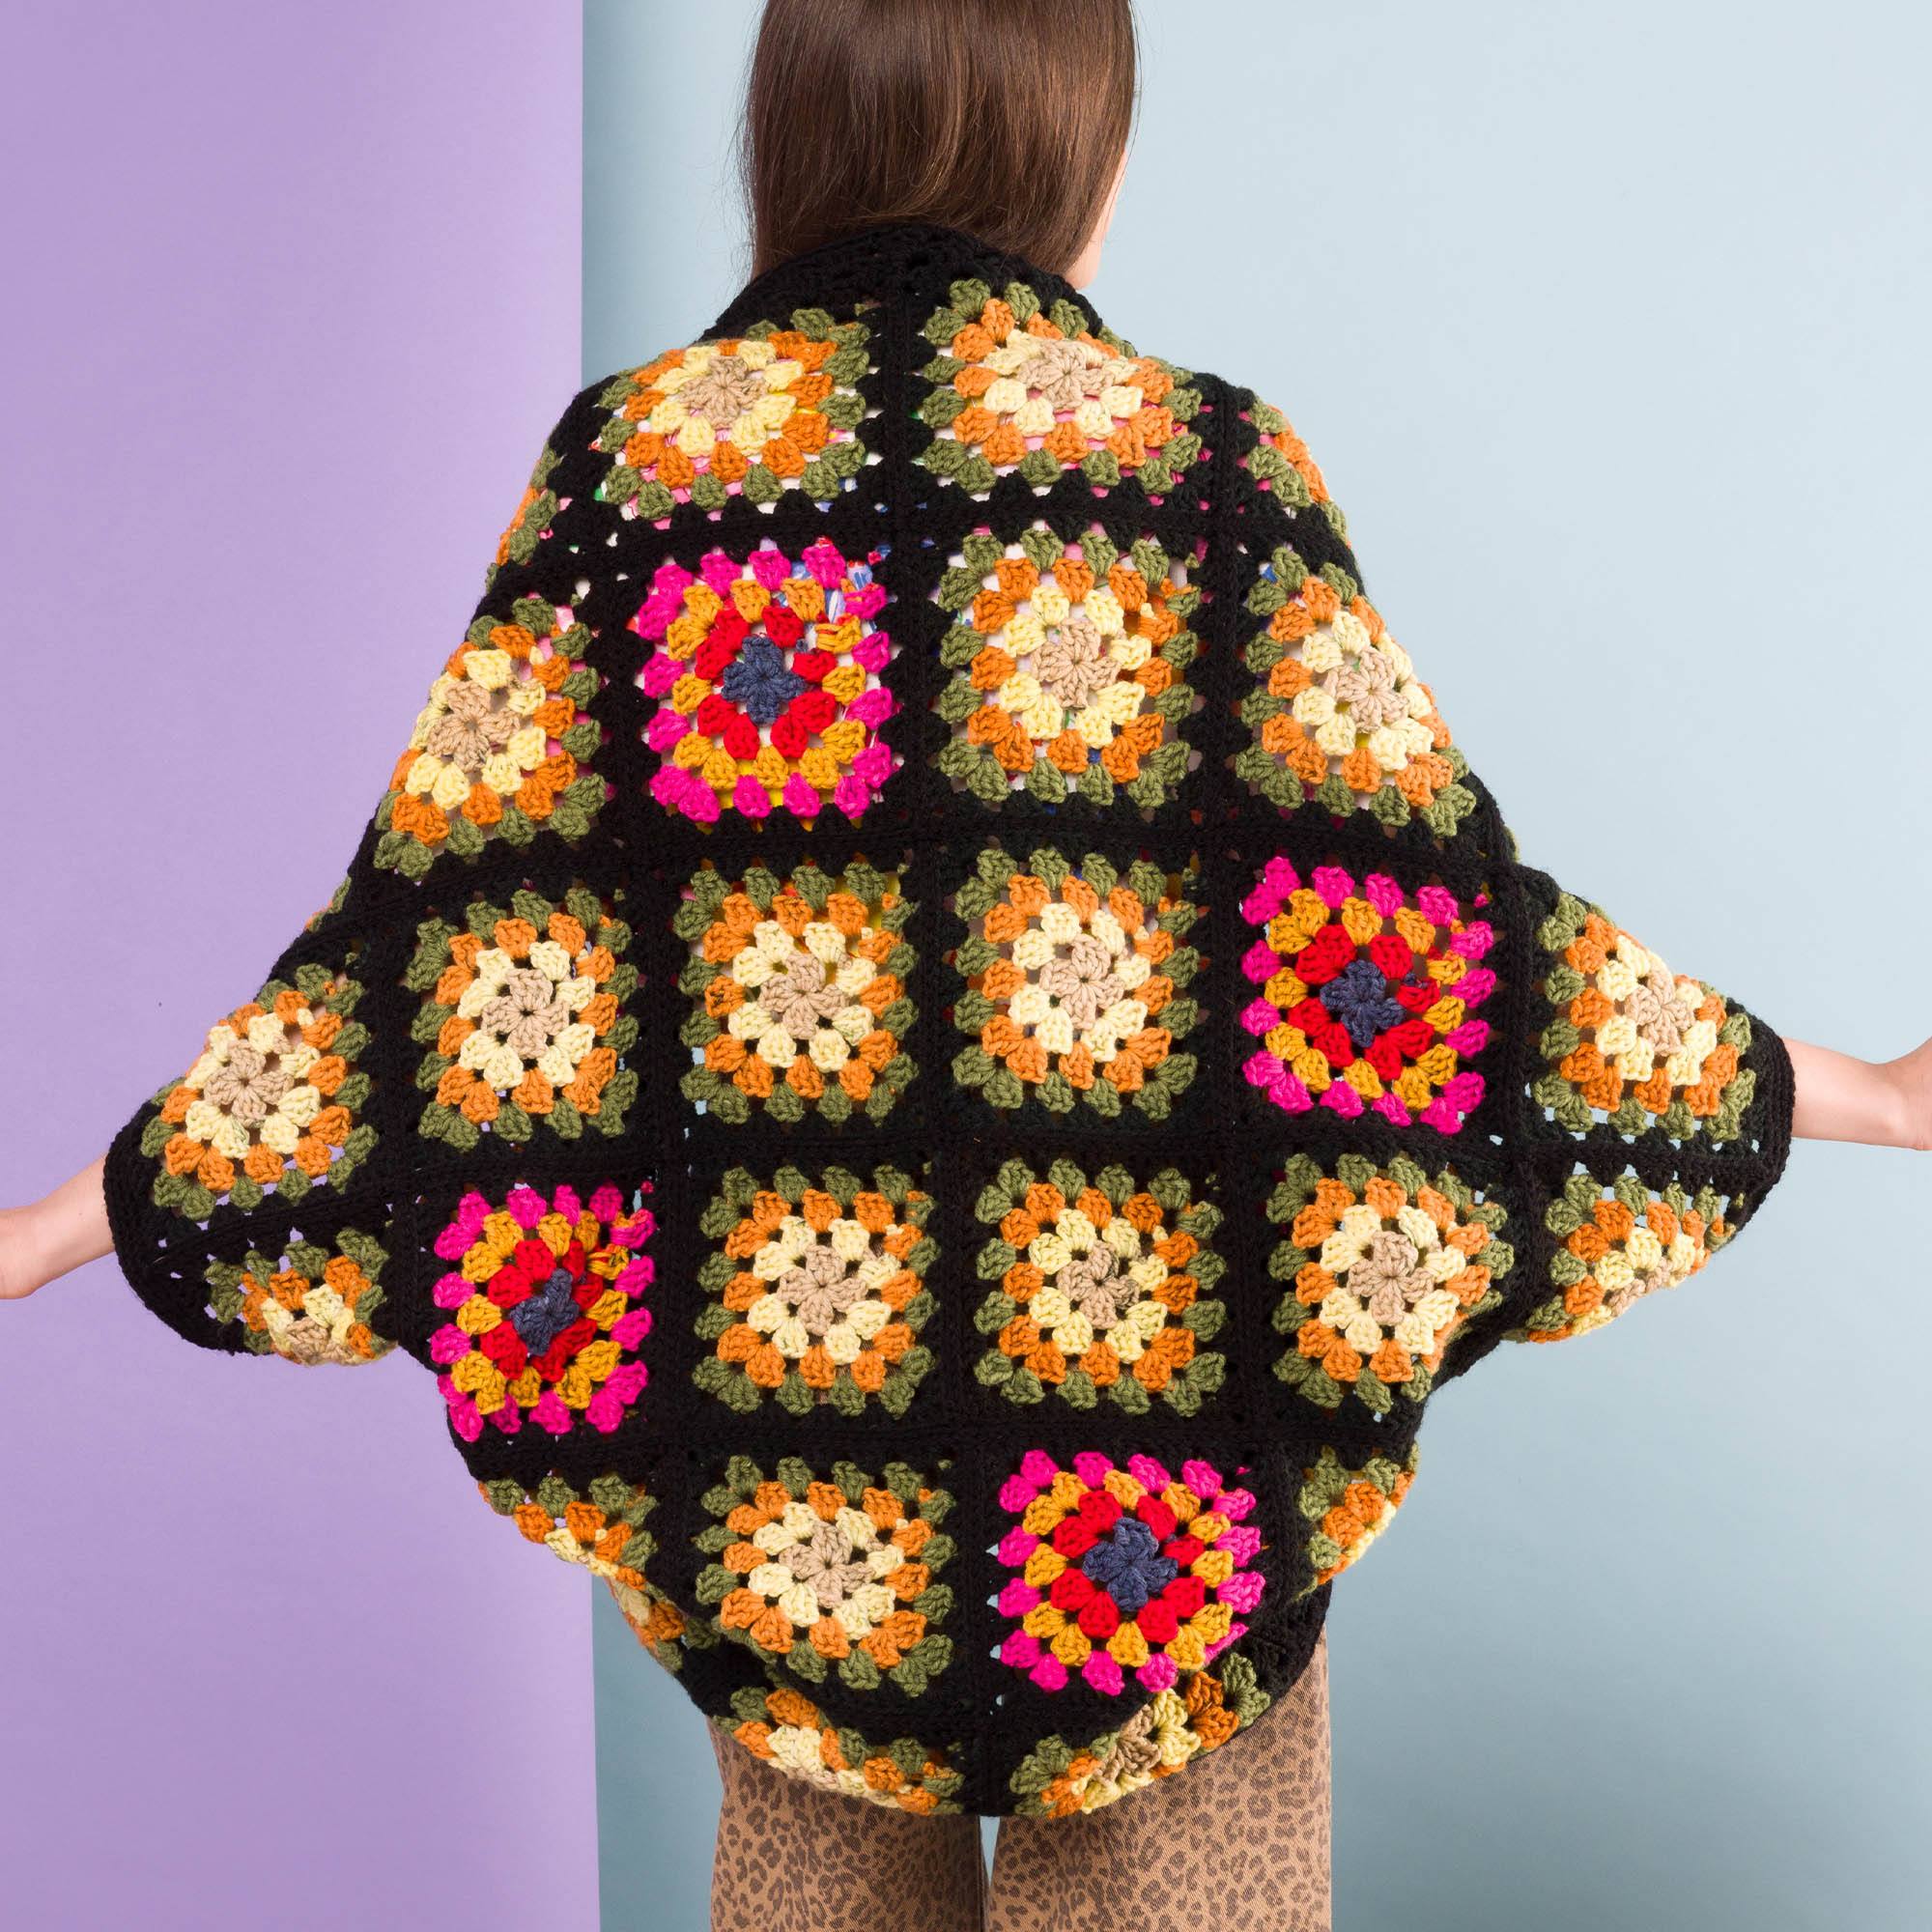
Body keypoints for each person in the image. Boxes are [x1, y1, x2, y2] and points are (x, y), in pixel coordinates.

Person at [4, 2, 1927, 1926]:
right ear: (1078, 148)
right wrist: (1855, 1094)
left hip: (785, 1466)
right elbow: (1435, 955)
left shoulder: (634, 480)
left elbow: (427, 985)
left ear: (796, 133)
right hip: (1169, 1475)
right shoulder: (1202, 474)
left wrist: (54, 1228)